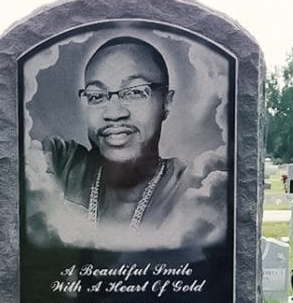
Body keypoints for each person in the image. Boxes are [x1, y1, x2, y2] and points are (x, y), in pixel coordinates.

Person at [42, 36, 188, 234]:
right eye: (96, 96)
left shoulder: (189, 188)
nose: (114, 113)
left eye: (135, 92)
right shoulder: (65, 167)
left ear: (167, 102)